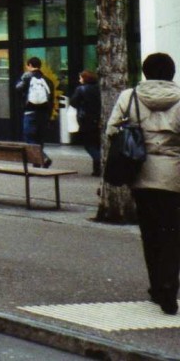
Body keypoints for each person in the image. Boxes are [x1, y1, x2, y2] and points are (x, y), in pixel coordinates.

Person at [106, 52, 180, 316]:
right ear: (172, 73)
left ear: (145, 73)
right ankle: (171, 287)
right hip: (174, 177)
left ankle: (157, 287)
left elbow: (112, 130)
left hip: (141, 175)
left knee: (150, 233)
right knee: (172, 233)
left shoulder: (130, 97)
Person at [15, 56, 54, 167]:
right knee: (40, 138)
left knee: (29, 137)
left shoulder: (27, 77)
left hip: (30, 112)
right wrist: (49, 115)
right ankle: (37, 162)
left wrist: (23, 78)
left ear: (30, 65)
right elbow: (51, 99)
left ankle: (43, 158)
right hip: (44, 113)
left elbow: (18, 89)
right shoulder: (47, 80)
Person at [71, 69, 102, 176]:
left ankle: (99, 161)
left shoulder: (81, 89)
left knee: (89, 145)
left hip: (86, 119)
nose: (79, 80)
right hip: (98, 119)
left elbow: (73, 102)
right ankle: (97, 169)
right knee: (97, 144)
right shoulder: (99, 88)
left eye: (80, 78)